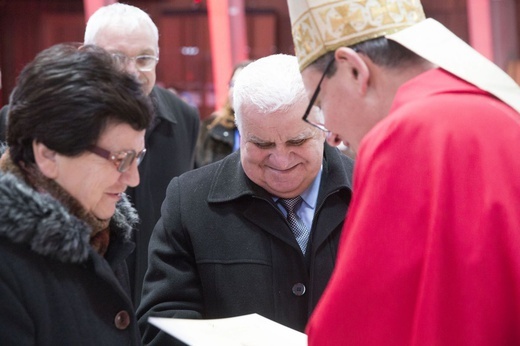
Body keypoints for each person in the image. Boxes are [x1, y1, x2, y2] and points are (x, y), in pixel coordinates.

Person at [285, 0, 520, 344]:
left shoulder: (407, 132)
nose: (330, 134)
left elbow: (359, 325)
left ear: (353, 69)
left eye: (317, 103)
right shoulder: (501, 115)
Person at [136, 54, 354, 345]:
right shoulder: (190, 202)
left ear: (325, 127)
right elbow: (162, 319)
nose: (281, 159)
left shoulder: (376, 192)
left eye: (297, 141)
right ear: (238, 129)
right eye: (261, 144)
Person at [0, 43, 152, 345]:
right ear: (47, 155)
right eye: (121, 158)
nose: (133, 178)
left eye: (138, 157)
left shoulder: (97, 228)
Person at [84, 3, 200, 306]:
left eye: (144, 58)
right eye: (117, 58)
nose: (132, 72)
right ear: (87, 56)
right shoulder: (47, 117)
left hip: (155, 298)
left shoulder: (185, 117)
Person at [195, 60, 251, 167]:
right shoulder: (211, 126)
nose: (235, 90)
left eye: (243, 84)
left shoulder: (271, 130)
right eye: (233, 84)